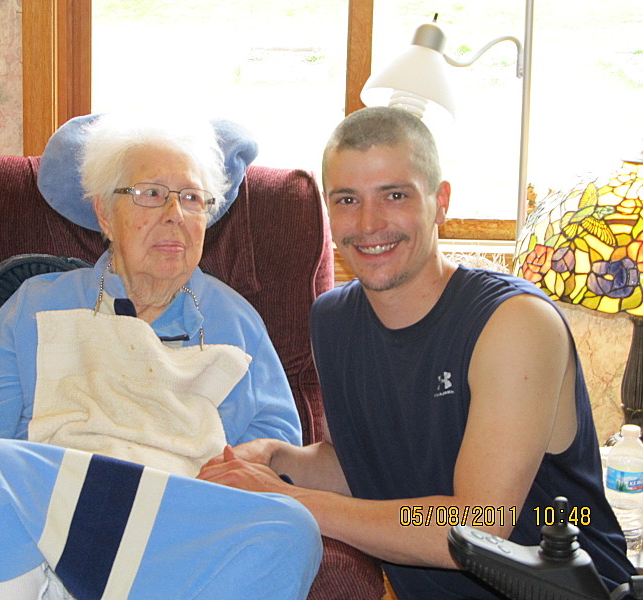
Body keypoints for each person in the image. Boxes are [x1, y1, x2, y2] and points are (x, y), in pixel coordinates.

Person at [0, 114, 321, 600]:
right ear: (105, 214)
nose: (175, 214)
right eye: (151, 193)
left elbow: (273, 457)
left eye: (191, 198)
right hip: (46, 513)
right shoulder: (35, 305)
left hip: (167, 533)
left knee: (291, 526)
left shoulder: (237, 322)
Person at [199, 106, 637, 599]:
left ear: (440, 202)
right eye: (347, 200)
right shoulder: (332, 320)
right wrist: (279, 458)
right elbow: (367, 464)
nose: (369, 223)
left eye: (395, 195)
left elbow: (478, 522)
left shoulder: (514, 323)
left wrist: (288, 499)